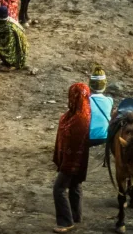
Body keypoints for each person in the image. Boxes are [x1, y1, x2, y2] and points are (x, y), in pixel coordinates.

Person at [52, 83, 91, 233]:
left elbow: (73, 143)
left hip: (72, 161)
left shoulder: (79, 119)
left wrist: (66, 163)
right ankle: (76, 216)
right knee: (74, 185)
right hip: (78, 161)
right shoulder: (80, 114)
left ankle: (65, 222)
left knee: (59, 189)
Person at [0, 6, 28, 70]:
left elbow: (9, 46)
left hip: (17, 53)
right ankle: (7, 61)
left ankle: (12, 64)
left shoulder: (9, 29)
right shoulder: (4, 23)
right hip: (14, 49)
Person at [88, 65, 113, 146]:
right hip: (104, 138)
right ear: (104, 85)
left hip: (88, 138)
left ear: (90, 84)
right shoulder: (110, 101)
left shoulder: (86, 101)